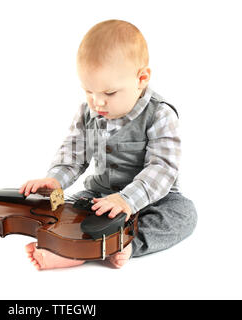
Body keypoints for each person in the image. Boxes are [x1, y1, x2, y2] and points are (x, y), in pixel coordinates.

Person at [18, 19, 197, 270]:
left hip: (154, 200)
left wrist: (126, 200)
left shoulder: (160, 114)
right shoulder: (88, 112)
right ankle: (69, 247)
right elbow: (73, 154)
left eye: (109, 93)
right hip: (100, 196)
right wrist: (55, 179)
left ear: (141, 78)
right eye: (89, 92)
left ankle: (126, 243)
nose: (97, 103)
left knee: (185, 214)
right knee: (68, 209)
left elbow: (162, 168)